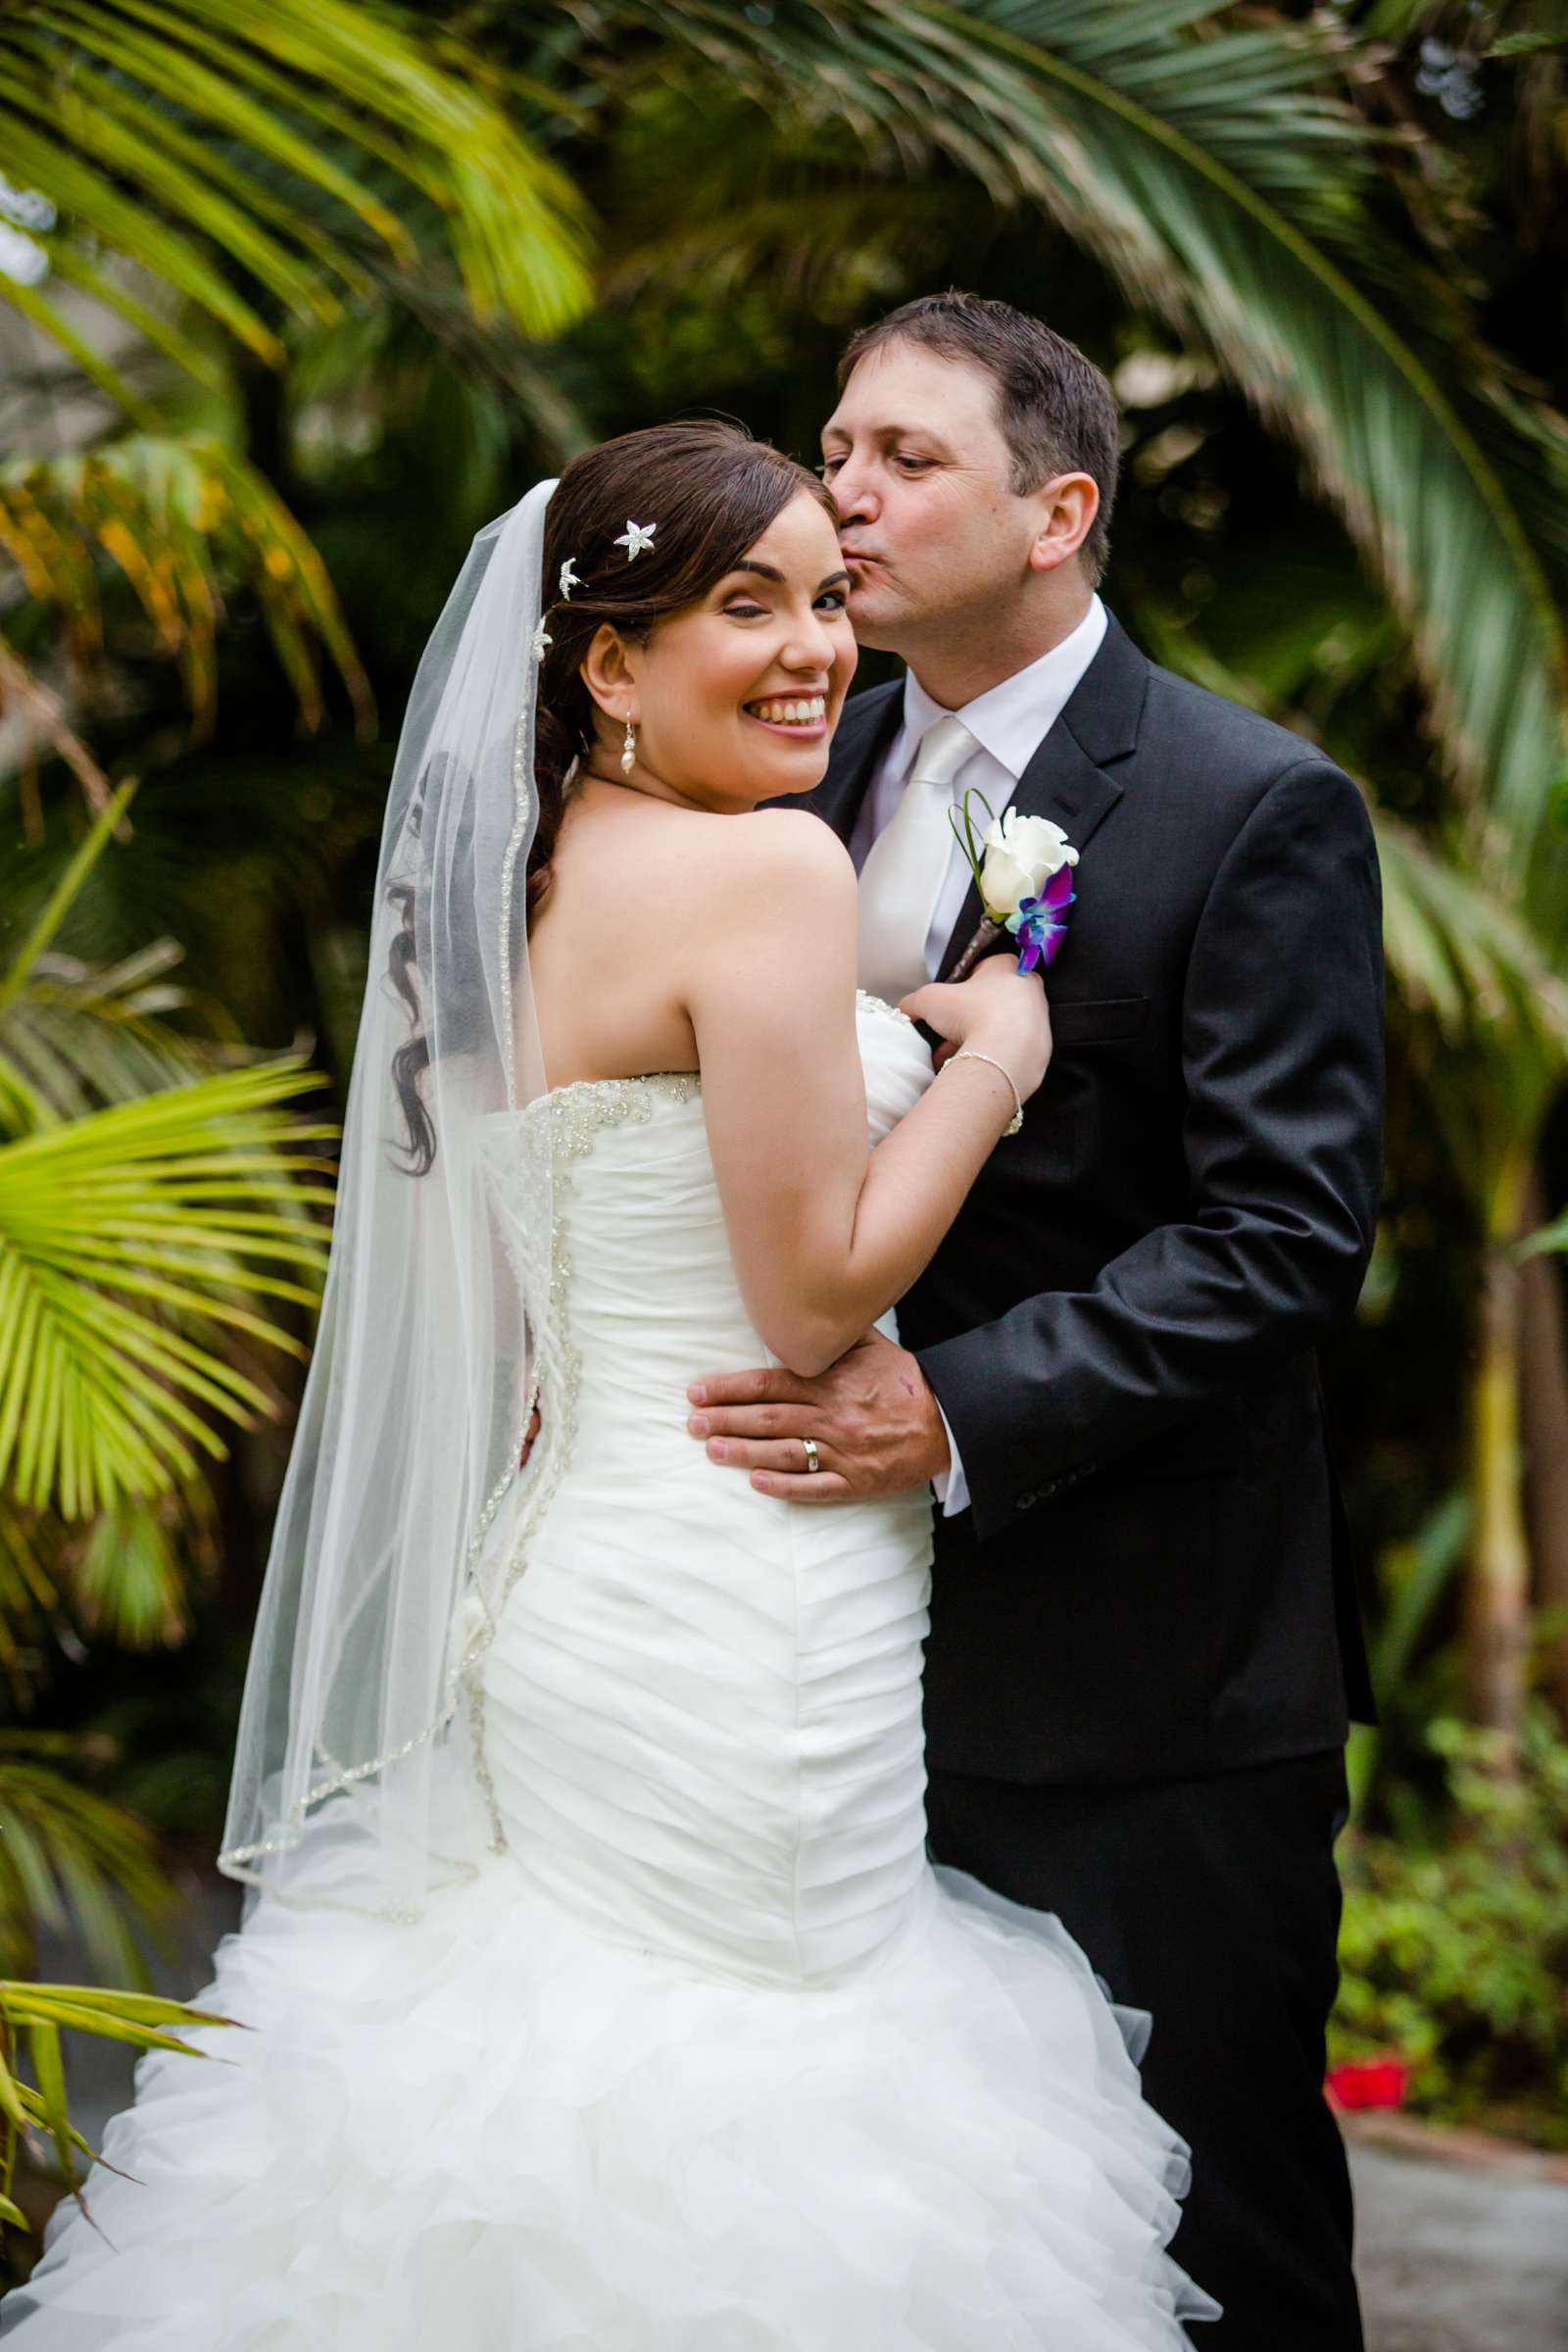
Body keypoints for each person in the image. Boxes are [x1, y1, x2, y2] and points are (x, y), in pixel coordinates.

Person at [3, 421, 1215, 2349]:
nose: (816, 645)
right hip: (743, 1595)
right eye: (745, 605)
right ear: (603, 660)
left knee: (548, 2072)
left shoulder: (510, 882)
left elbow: (510, 1290)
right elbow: (811, 1296)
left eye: (829, 595)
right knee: (758, 2110)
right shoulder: (765, 873)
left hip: (573, 1578)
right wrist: (990, 1057)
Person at [689, 294, 1384, 2347]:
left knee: (1206, 2246)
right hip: (810, 1675)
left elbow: (1279, 1237)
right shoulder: (777, 785)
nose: (842, 492)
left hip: (1135, 1694)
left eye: (901, 457)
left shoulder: (1242, 804)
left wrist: (953, 1412)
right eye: (834, 448)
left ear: (1056, 509)